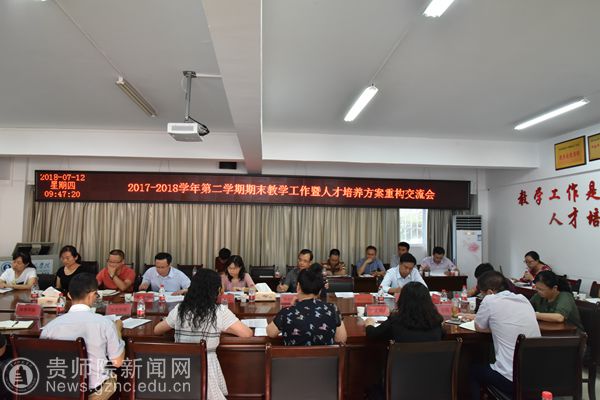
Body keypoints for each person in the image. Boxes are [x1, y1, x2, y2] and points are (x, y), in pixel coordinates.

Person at [154, 268, 252, 400]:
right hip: (207, 367)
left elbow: (157, 330)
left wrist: (168, 320)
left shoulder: (180, 309)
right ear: (217, 290)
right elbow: (247, 333)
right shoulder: (219, 311)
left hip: (180, 369)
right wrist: (225, 327)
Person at [42, 273, 125, 400]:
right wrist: (118, 330)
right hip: (94, 393)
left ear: (69, 295)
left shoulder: (50, 327)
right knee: (116, 377)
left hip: (59, 391)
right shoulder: (104, 323)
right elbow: (117, 362)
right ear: (92, 295)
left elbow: (44, 361)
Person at [469, 271, 540, 400]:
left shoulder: (490, 300)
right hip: (535, 378)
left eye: (482, 294)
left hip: (510, 380)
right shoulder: (523, 299)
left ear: (489, 292)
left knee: (473, 370)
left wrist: (497, 327)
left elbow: (479, 327)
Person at [267, 263, 347, 345]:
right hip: (326, 354)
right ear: (320, 290)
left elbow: (270, 333)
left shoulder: (286, 312)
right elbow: (341, 339)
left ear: (298, 287)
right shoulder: (333, 309)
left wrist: (290, 307)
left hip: (293, 353)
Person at [365, 281, 443, 342]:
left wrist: (369, 324)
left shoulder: (396, 321)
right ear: (428, 301)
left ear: (403, 300)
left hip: (401, 358)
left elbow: (373, 335)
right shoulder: (436, 321)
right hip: (432, 358)